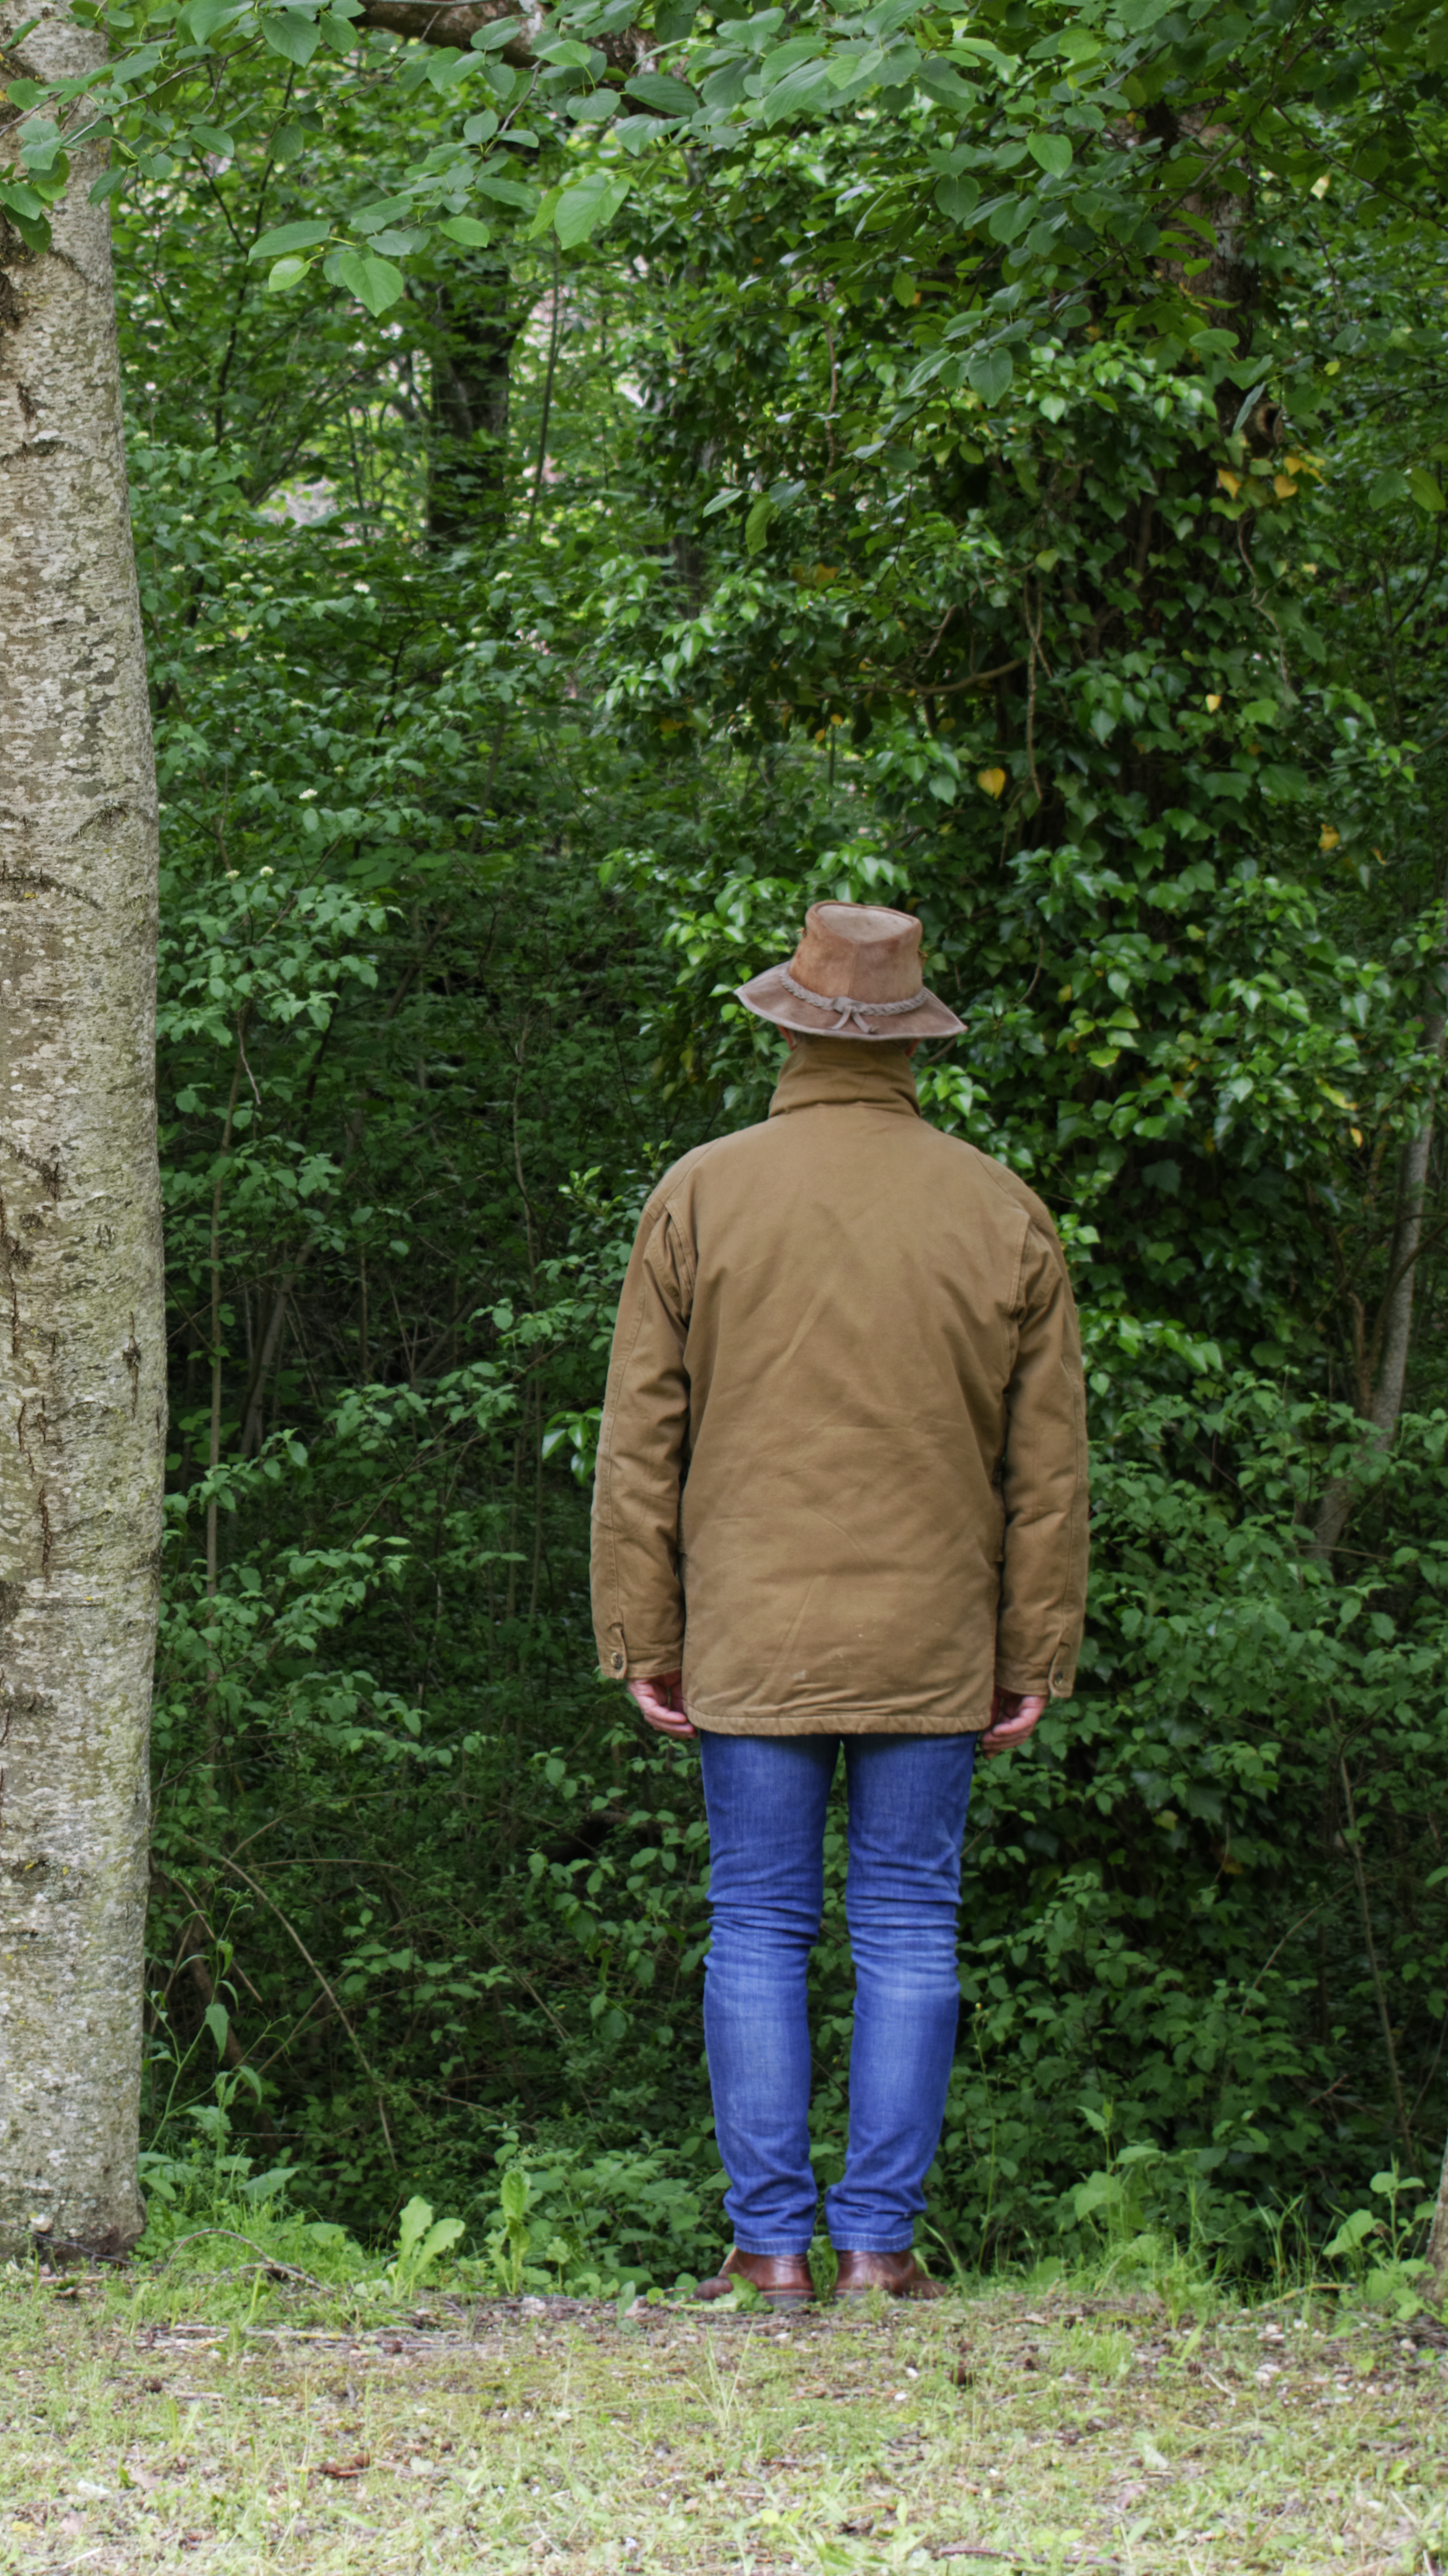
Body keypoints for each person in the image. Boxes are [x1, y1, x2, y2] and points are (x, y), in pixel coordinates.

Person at [590, 902, 1088, 2309]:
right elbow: (1046, 1469)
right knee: (912, 1926)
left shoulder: (701, 1193)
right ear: (913, 1043)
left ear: (787, 1027)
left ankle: (770, 2249)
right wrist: (1034, 1645)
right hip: (938, 1633)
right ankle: (878, 2246)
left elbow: (644, 1442)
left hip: (750, 1629)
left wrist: (643, 1633)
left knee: (755, 1921)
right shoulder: (1002, 1210)